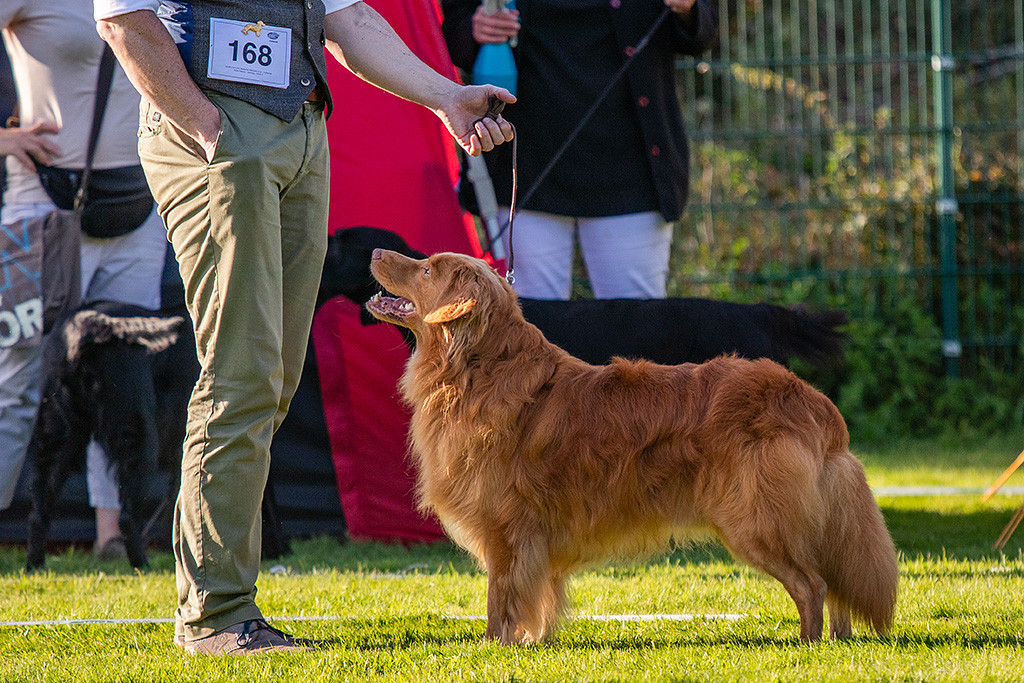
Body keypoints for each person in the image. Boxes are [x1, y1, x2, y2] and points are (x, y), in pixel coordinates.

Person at [92, 0, 515, 655]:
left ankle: (225, 605)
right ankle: (215, 615)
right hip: (216, 128)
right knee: (242, 370)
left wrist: (446, 97)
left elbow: (348, 21)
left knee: (274, 374)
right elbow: (123, 18)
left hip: (300, 128)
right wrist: (209, 130)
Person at [0, 1, 168, 562]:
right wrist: (2, 140)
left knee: (123, 379)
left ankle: (112, 535)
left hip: (141, 213)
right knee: (16, 377)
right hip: (40, 206)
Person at [442, 0, 718, 300]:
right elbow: (451, 34)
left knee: (637, 322)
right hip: (523, 164)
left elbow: (703, 31)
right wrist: (474, 29)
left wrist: (688, 9)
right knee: (529, 322)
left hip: (632, 169)